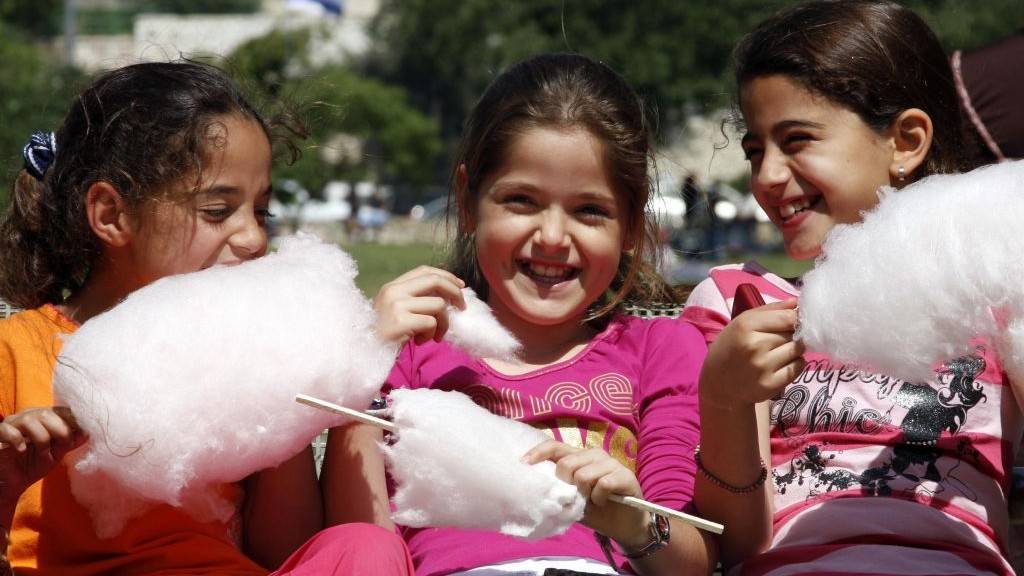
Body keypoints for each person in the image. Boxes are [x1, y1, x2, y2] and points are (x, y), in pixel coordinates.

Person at [0, 61, 414, 575]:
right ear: (112, 215)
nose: (254, 238)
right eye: (218, 211)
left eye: (261, 212)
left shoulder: (247, 356)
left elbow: (284, 550)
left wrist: (290, 399)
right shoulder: (14, 351)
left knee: (363, 547)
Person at [323, 53, 717, 576]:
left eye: (589, 210)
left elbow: (692, 560)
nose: (553, 237)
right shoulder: (411, 348)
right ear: (468, 201)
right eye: (521, 201)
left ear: (628, 223)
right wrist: (363, 365)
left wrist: (634, 523)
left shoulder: (664, 350)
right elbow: (362, 544)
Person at [681, 1, 1018, 575]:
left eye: (797, 140)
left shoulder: (988, 288)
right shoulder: (737, 301)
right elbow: (736, 544)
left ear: (905, 142)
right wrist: (727, 399)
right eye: (755, 150)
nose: (765, 177)